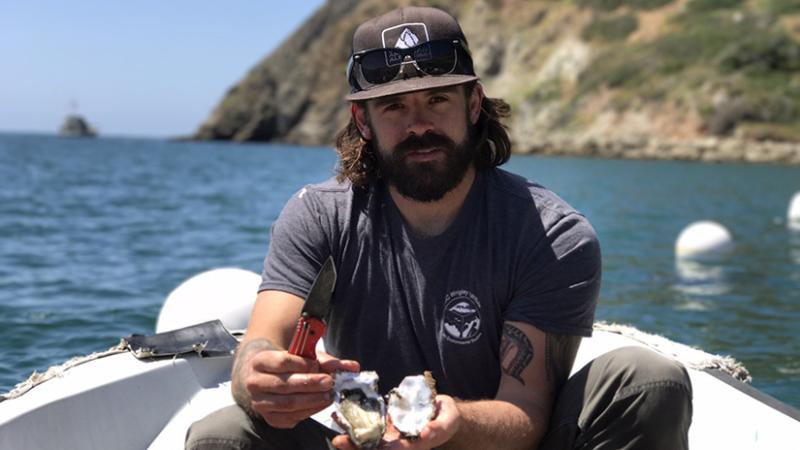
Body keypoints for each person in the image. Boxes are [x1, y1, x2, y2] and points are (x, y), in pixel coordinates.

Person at [186, 6, 692, 450]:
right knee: (221, 435)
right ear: (363, 121)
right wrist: (257, 374)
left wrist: (454, 424)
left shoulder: (551, 234)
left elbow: (528, 410)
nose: (418, 125)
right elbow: (261, 343)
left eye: (437, 100)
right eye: (394, 106)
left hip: (492, 446)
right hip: (360, 442)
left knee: (648, 381)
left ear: (473, 105)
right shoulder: (318, 217)